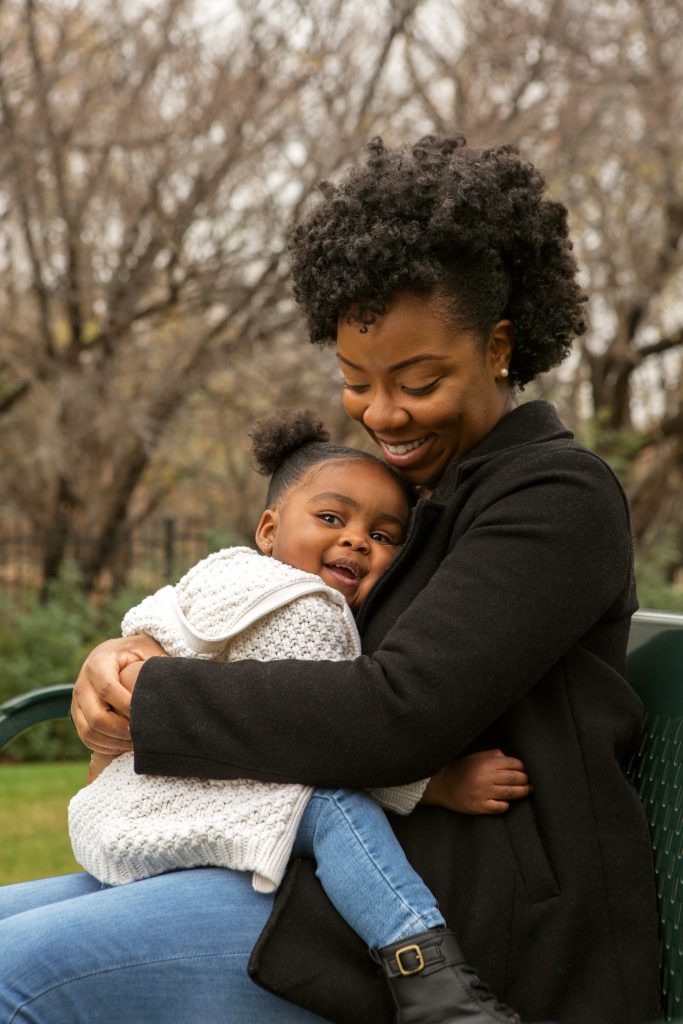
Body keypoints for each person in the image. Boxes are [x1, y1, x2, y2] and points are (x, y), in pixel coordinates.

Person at [0, 135, 661, 1024]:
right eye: (356, 381)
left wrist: (153, 700)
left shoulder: (552, 497)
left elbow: (393, 715)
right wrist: (122, 656)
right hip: (330, 874)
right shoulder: (414, 499)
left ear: (499, 346)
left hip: (461, 928)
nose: (381, 414)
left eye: (418, 382)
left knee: (15, 977)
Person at [67, 408, 530, 1024]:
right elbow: (323, 743)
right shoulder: (301, 608)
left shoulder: (226, 575)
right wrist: (438, 786)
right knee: (340, 811)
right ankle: (430, 976)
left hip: (162, 791)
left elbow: (157, 637)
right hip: (200, 787)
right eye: (332, 518)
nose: (358, 540)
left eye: (386, 535)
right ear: (268, 529)